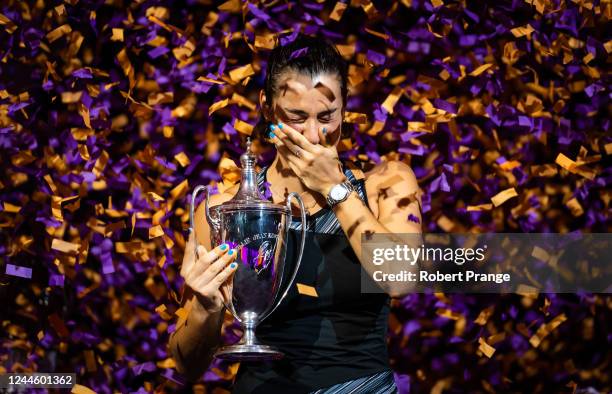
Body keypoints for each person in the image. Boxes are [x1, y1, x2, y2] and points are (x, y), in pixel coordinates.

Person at [169, 34, 423, 393]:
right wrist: (204, 309)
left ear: (345, 110)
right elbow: (186, 364)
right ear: (268, 108)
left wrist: (336, 189)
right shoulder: (222, 211)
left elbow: (402, 280)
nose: (314, 135)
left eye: (327, 116)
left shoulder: (388, 183)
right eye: (297, 117)